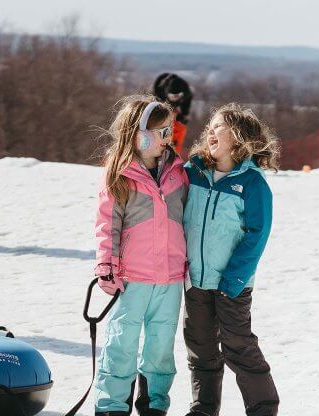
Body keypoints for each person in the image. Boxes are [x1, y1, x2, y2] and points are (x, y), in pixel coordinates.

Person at [182, 103, 281, 416]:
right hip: (195, 280)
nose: (210, 131)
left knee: (239, 347)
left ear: (239, 137)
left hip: (231, 284)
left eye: (218, 126)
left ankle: (263, 409)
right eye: (209, 126)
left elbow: (256, 235)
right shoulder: (192, 172)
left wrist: (235, 279)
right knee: (200, 349)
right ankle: (203, 408)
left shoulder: (252, 184)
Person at [93, 95, 189, 416]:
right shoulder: (120, 175)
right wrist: (107, 264)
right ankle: (112, 406)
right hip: (132, 278)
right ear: (138, 134)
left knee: (161, 347)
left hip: (170, 279)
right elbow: (107, 224)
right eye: (161, 133)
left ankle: (154, 404)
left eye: (169, 133)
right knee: (122, 343)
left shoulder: (177, 172)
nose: (167, 140)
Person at [153, 73, 193, 154]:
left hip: (176, 109)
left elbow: (186, 109)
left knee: (180, 126)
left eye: (177, 96)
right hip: (161, 104)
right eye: (173, 96)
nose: (175, 99)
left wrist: (183, 117)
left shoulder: (187, 93)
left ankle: (174, 153)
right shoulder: (159, 92)